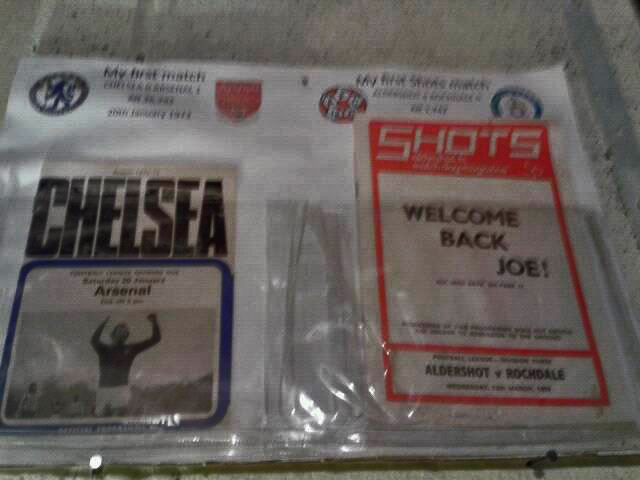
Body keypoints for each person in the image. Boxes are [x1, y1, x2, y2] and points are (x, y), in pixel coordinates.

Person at [91, 314, 161, 416]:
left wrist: (154, 322)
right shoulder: (104, 349)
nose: (122, 333)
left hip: (121, 390)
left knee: (119, 417)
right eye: (120, 330)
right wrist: (104, 322)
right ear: (113, 334)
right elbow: (94, 341)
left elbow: (155, 339)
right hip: (104, 389)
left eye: (125, 332)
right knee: (100, 418)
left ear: (126, 335)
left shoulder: (131, 348)